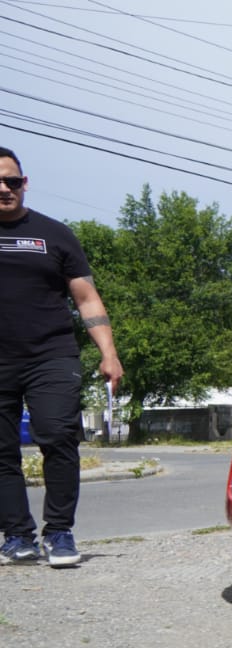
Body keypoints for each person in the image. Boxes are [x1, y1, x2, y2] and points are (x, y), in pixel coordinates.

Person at [0, 146, 123, 567]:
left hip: (51, 355)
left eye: (12, 181)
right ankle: (17, 536)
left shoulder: (54, 234)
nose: (4, 188)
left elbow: (86, 298)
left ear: (24, 183)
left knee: (58, 438)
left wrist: (109, 353)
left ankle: (59, 533)